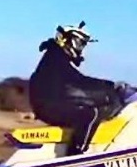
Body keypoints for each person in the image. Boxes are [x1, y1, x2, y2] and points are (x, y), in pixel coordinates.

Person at [28, 21, 129, 156]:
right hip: (49, 105)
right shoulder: (55, 59)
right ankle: (76, 154)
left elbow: (78, 83)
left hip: (49, 104)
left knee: (93, 107)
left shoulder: (55, 57)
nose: (81, 48)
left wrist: (107, 87)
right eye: (80, 43)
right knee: (91, 113)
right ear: (66, 40)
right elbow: (78, 82)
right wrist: (109, 89)